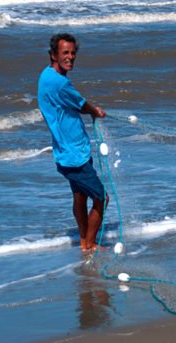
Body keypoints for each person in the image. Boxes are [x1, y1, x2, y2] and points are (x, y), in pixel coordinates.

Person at [38, 33, 108, 252]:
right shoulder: (59, 83)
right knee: (101, 198)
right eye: (65, 53)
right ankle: (89, 243)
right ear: (53, 55)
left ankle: (83, 240)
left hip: (67, 152)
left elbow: (72, 104)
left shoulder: (46, 75)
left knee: (80, 196)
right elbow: (82, 104)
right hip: (74, 155)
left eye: (72, 53)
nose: (70, 57)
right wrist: (95, 111)